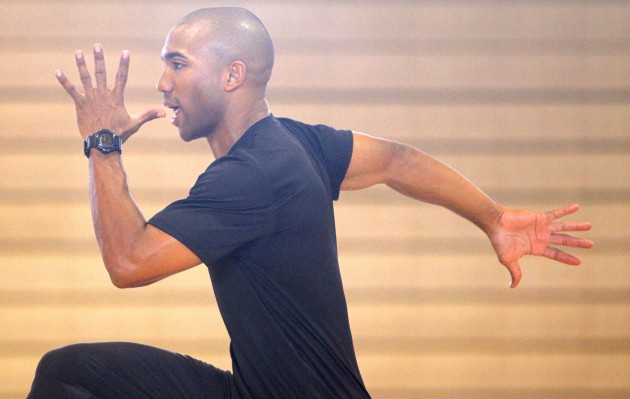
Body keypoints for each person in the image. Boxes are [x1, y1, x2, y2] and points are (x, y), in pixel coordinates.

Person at [28, 7, 593, 399]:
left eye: (178, 64)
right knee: (71, 376)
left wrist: (102, 144)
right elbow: (398, 159)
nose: (162, 82)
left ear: (232, 75)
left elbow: (129, 262)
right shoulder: (299, 143)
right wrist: (492, 218)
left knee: (68, 379)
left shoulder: (253, 175)